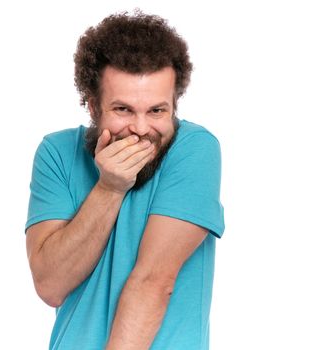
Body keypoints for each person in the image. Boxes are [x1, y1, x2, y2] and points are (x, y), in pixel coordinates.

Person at [24, 9, 225, 350]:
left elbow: (153, 281)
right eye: (123, 110)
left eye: (157, 111)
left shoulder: (195, 149)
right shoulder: (56, 152)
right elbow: (50, 285)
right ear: (92, 106)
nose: (142, 129)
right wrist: (110, 187)